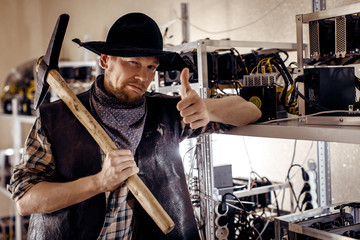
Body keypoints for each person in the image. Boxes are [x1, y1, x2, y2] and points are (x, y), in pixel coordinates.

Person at [8, 12, 261, 240]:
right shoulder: (56, 119)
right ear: (105, 60)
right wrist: (98, 182)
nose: (144, 76)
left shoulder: (168, 114)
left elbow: (250, 111)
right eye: (133, 62)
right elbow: (25, 199)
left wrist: (208, 109)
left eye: (151, 67)